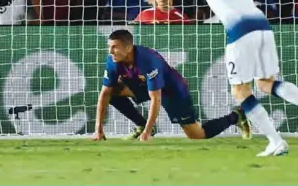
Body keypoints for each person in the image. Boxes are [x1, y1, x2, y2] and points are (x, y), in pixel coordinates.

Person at [144, 0, 298, 156]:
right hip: (262, 26)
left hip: (240, 31)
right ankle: (276, 140)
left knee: (240, 91)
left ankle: (275, 140)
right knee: (266, 84)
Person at [93, 30, 250, 142]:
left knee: (197, 135)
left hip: (172, 91)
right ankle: (141, 125)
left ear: (128, 48)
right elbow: (104, 94)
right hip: (144, 86)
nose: (111, 51)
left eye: (114, 47)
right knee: (112, 92)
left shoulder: (148, 60)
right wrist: (98, 129)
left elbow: (156, 98)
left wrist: (148, 133)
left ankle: (236, 116)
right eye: (110, 47)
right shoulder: (112, 61)